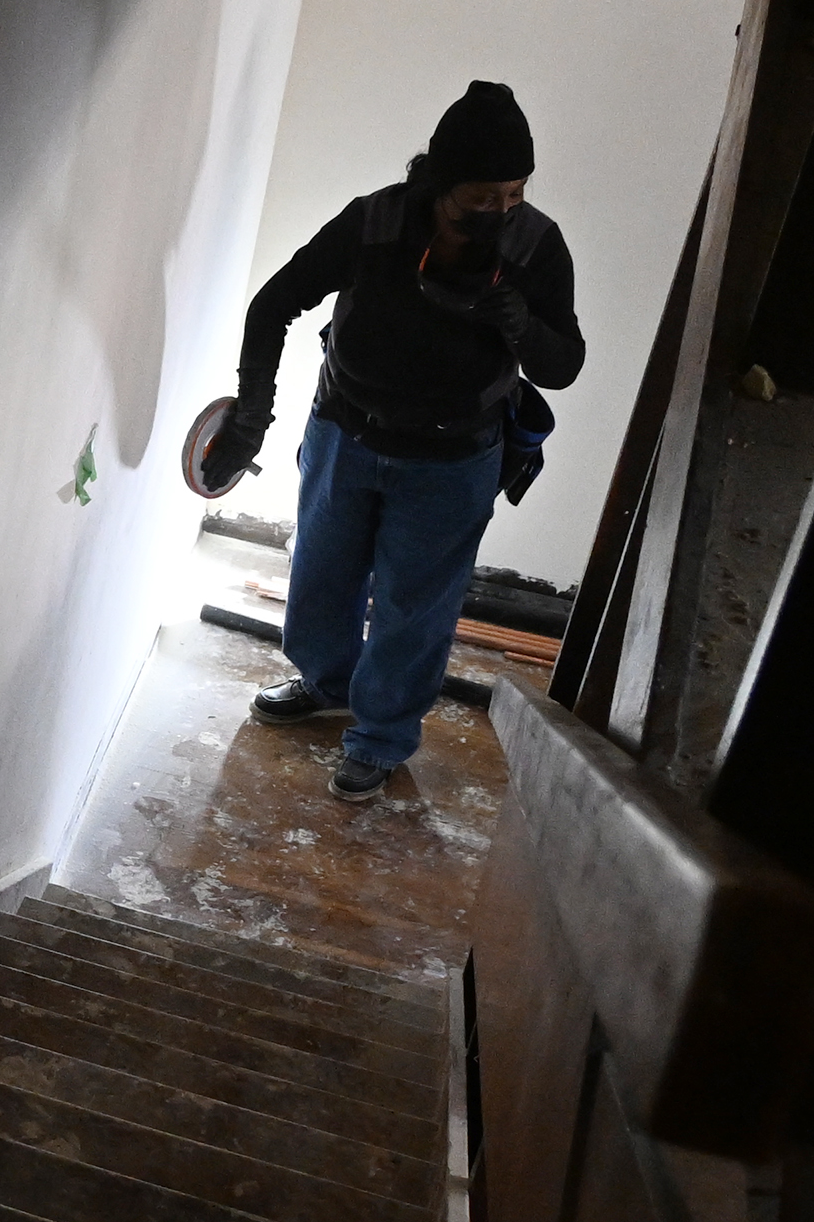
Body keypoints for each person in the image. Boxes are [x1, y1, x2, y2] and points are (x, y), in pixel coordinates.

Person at [197, 80, 585, 801]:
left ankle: (378, 737)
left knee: (416, 605)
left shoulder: (535, 246)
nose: (501, 210)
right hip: (346, 429)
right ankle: (328, 684)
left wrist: (522, 326)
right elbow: (274, 303)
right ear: (440, 182)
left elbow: (563, 365)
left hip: (454, 457)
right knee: (320, 574)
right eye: (483, 196)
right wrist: (252, 416)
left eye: (515, 192)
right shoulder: (375, 223)